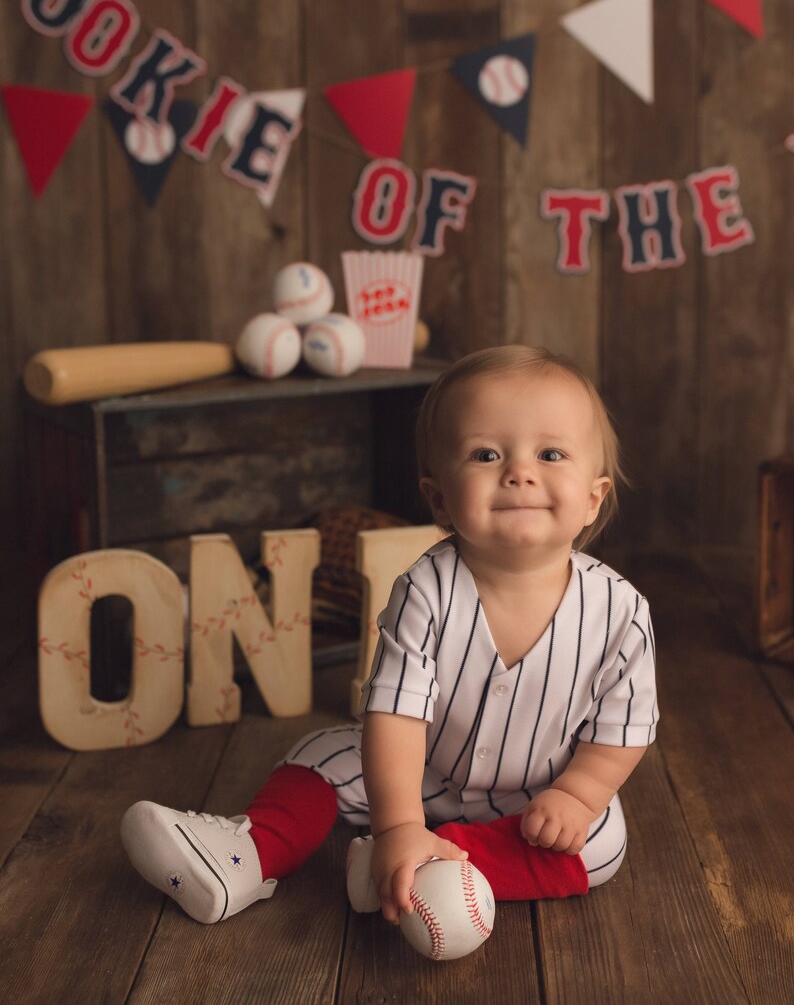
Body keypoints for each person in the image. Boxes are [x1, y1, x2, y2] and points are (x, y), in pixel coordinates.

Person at [121, 345, 658, 927]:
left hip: (541, 790)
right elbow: (395, 719)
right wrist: (399, 823)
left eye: (550, 454)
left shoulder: (619, 611)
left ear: (592, 498)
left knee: (601, 840)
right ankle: (247, 856)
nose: (519, 471)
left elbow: (621, 731)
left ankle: (414, 871)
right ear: (439, 500)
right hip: (417, 772)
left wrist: (578, 795)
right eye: (485, 454)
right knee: (321, 754)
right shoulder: (426, 589)